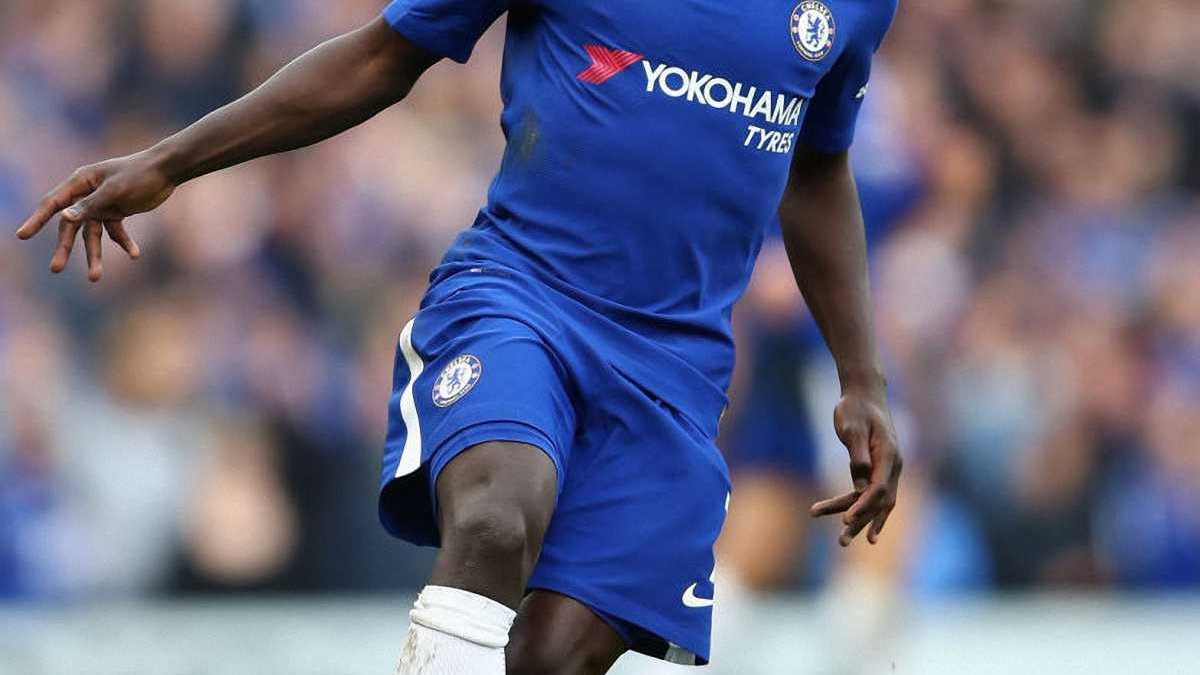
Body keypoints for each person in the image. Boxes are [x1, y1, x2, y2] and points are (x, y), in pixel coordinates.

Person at [15, 1, 903, 672]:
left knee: (556, 656)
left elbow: (818, 165)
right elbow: (383, 55)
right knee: (498, 511)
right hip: (522, 296)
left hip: (674, 368)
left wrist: (862, 376)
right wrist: (170, 162)